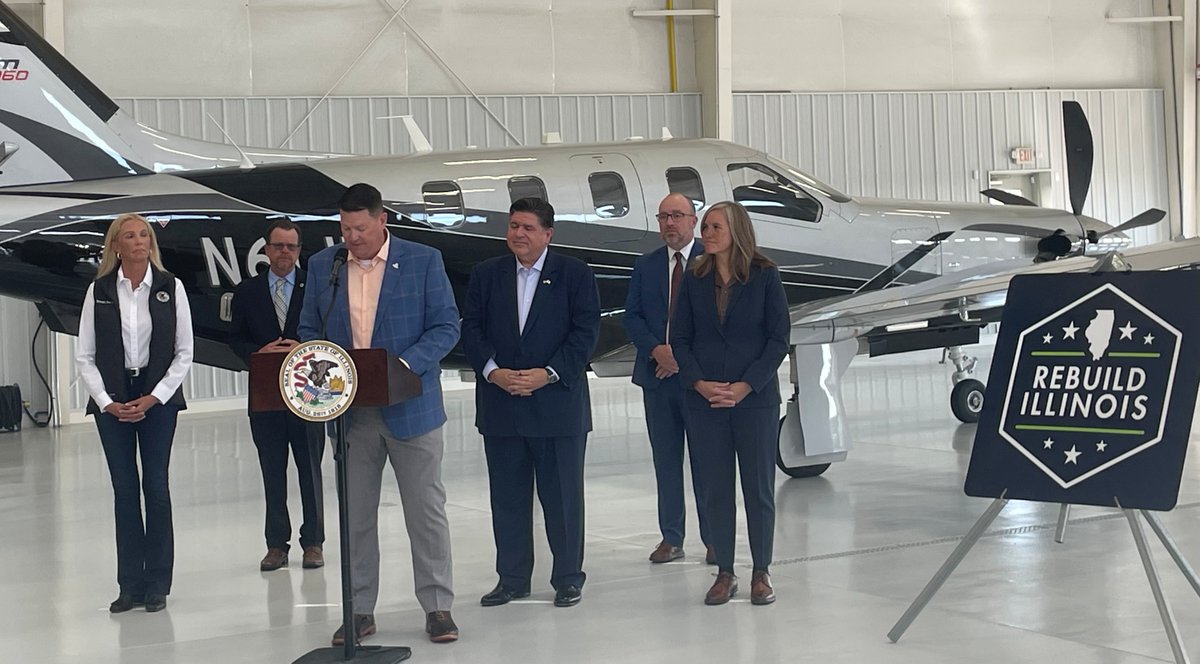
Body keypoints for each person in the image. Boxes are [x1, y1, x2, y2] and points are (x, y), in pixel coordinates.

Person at [298, 183, 461, 645]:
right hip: (351, 415)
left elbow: (447, 325)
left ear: (382, 218)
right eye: (346, 229)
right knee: (356, 518)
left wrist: (404, 367)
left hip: (412, 407)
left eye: (362, 228)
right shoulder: (323, 265)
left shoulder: (423, 260)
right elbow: (310, 326)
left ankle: (437, 607)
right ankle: (358, 611)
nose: (353, 237)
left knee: (425, 513)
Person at [461, 197, 600, 609]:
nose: (517, 234)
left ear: (547, 234)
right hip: (502, 406)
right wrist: (492, 372)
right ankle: (513, 579)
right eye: (513, 226)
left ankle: (568, 578)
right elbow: (471, 328)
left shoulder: (574, 274)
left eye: (526, 227)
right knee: (507, 499)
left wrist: (548, 373)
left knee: (562, 500)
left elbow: (586, 332)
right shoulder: (487, 275)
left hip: (557, 406)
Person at [671, 201, 789, 606]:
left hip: (753, 400)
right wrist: (700, 384)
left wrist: (745, 386)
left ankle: (761, 571)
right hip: (705, 402)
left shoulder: (765, 276)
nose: (707, 232)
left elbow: (778, 340)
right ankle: (725, 572)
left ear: (736, 230)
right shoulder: (694, 276)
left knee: (758, 489)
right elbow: (680, 338)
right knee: (715, 490)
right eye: (705, 226)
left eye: (715, 226)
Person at [77, 213, 193, 614]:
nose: (140, 241)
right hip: (113, 400)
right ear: (116, 245)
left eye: (144, 235)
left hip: (157, 400)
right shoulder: (100, 291)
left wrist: (155, 396)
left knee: (156, 489)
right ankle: (130, 585)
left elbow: (184, 353)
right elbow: (85, 355)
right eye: (130, 236)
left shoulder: (170, 287)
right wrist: (106, 401)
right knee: (125, 491)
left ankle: (158, 583)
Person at [229, 218, 326, 572]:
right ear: (266, 249)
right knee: (272, 472)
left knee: (310, 472)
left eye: (292, 246)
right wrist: (261, 351)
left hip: (309, 395)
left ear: (300, 251)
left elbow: (329, 334)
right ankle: (276, 545)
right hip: (266, 397)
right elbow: (235, 340)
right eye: (279, 246)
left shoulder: (313, 289)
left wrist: (305, 348)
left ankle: (313, 542)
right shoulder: (247, 291)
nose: (285, 252)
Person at [623, 193, 713, 565]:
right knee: (666, 461)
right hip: (657, 381)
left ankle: (714, 538)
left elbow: (714, 321)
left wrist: (679, 358)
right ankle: (671, 536)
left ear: (694, 221)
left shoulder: (712, 260)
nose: (669, 223)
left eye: (677, 215)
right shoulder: (646, 266)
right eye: (663, 217)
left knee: (707, 463)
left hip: (697, 381)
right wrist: (657, 351)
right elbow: (633, 317)